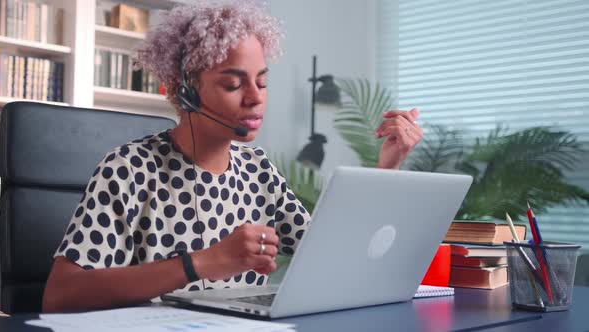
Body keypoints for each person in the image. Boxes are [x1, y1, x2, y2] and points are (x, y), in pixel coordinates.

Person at [42, 0, 423, 313]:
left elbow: (332, 257)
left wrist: (388, 164)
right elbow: (60, 295)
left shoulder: (258, 170)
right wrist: (201, 263)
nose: (256, 97)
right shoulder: (127, 169)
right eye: (232, 83)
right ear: (185, 91)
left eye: (262, 81)